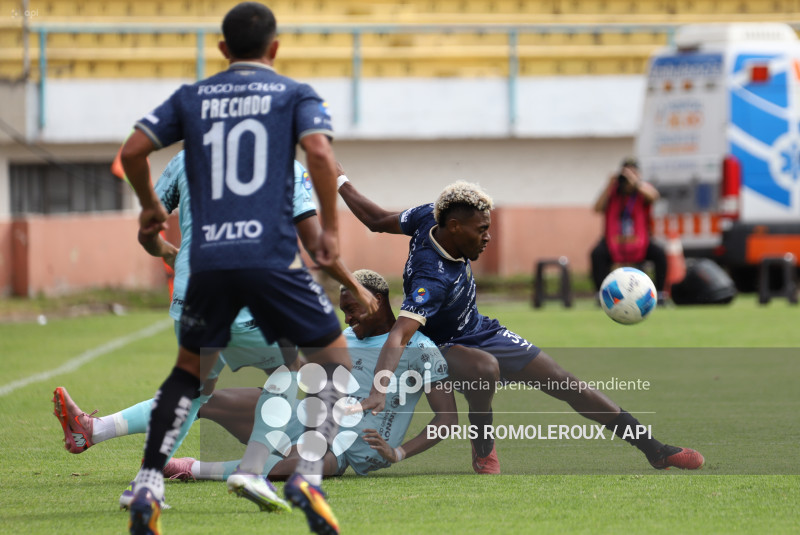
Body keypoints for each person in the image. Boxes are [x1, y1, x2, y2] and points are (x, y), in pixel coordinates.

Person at [120, 4, 353, 534]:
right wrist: (332, 228)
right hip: (270, 258)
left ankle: (149, 484)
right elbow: (318, 152)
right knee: (334, 363)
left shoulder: (191, 97)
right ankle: (307, 476)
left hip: (208, 265)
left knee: (188, 376)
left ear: (222, 50)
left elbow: (133, 151)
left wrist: (149, 207)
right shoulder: (295, 94)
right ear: (274, 48)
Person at [53, 151, 377, 512]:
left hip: (190, 296)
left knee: (193, 391)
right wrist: (355, 286)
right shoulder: (283, 163)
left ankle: (105, 444)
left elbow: (147, 232)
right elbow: (318, 245)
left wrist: (171, 251)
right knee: (288, 371)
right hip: (249, 296)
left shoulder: (185, 158)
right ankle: (251, 471)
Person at [336, 172, 705, 475]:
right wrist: (379, 391)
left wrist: (337, 177)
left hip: (480, 328)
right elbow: (401, 333)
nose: (488, 236)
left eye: (488, 227)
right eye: (481, 229)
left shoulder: (426, 217)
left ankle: (654, 449)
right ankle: (483, 448)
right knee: (484, 369)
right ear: (454, 227)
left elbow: (374, 219)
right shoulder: (429, 280)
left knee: (566, 383)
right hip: (438, 345)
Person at [590, 157, 667, 298]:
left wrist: (635, 183)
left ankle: (659, 293)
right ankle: (601, 293)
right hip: (613, 240)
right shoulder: (612, 193)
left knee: (660, 253)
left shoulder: (642, 192)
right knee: (597, 254)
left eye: (632, 173)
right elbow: (597, 208)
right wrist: (609, 185)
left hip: (640, 241)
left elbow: (655, 196)